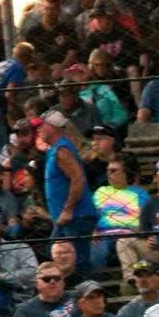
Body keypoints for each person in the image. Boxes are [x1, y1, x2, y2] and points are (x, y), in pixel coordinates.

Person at [38, 110, 98, 273]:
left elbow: (78, 179)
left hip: (75, 216)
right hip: (67, 218)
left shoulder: (62, 150)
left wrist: (68, 210)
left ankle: (89, 291)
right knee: (62, 258)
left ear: (51, 127)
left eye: (41, 126)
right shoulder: (55, 149)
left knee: (77, 260)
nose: (38, 130)